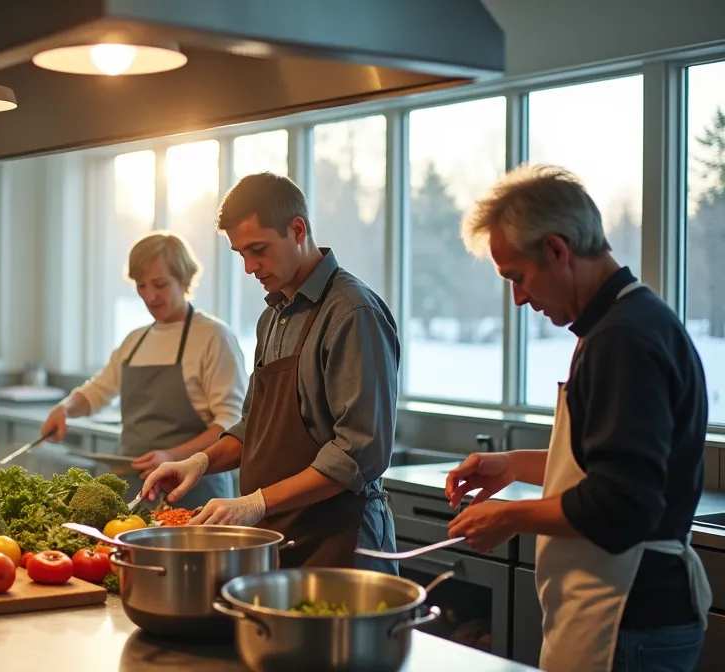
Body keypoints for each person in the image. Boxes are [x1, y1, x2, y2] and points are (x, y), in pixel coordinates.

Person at [444, 164, 711, 672]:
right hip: (623, 617)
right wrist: (514, 466)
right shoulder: (620, 324)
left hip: (629, 618)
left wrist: (509, 517)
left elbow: (621, 503)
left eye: (517, 278)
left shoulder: (622, 338)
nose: (519, 298)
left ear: (557, 250)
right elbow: (608, 465)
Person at [141, 172, 400, 574]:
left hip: (342, 541)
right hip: (282, 535)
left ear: (297, 229)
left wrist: (256, 502)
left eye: (258, 250)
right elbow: (254, 426)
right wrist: (200, 462)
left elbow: (355, 454)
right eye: (240, 253)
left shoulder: (352, 313)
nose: (248, 267)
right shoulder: (273, 316)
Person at [40, 231, 248, 508]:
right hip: (132, 491)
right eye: (141, 286)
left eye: (160, 284)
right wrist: (64, 408)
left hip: (192, 491)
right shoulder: (135, 340)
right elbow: (98, 391)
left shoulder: (214, 337)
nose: (149, 296)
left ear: (185, 279)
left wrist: (174, 456)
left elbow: (231, 423)